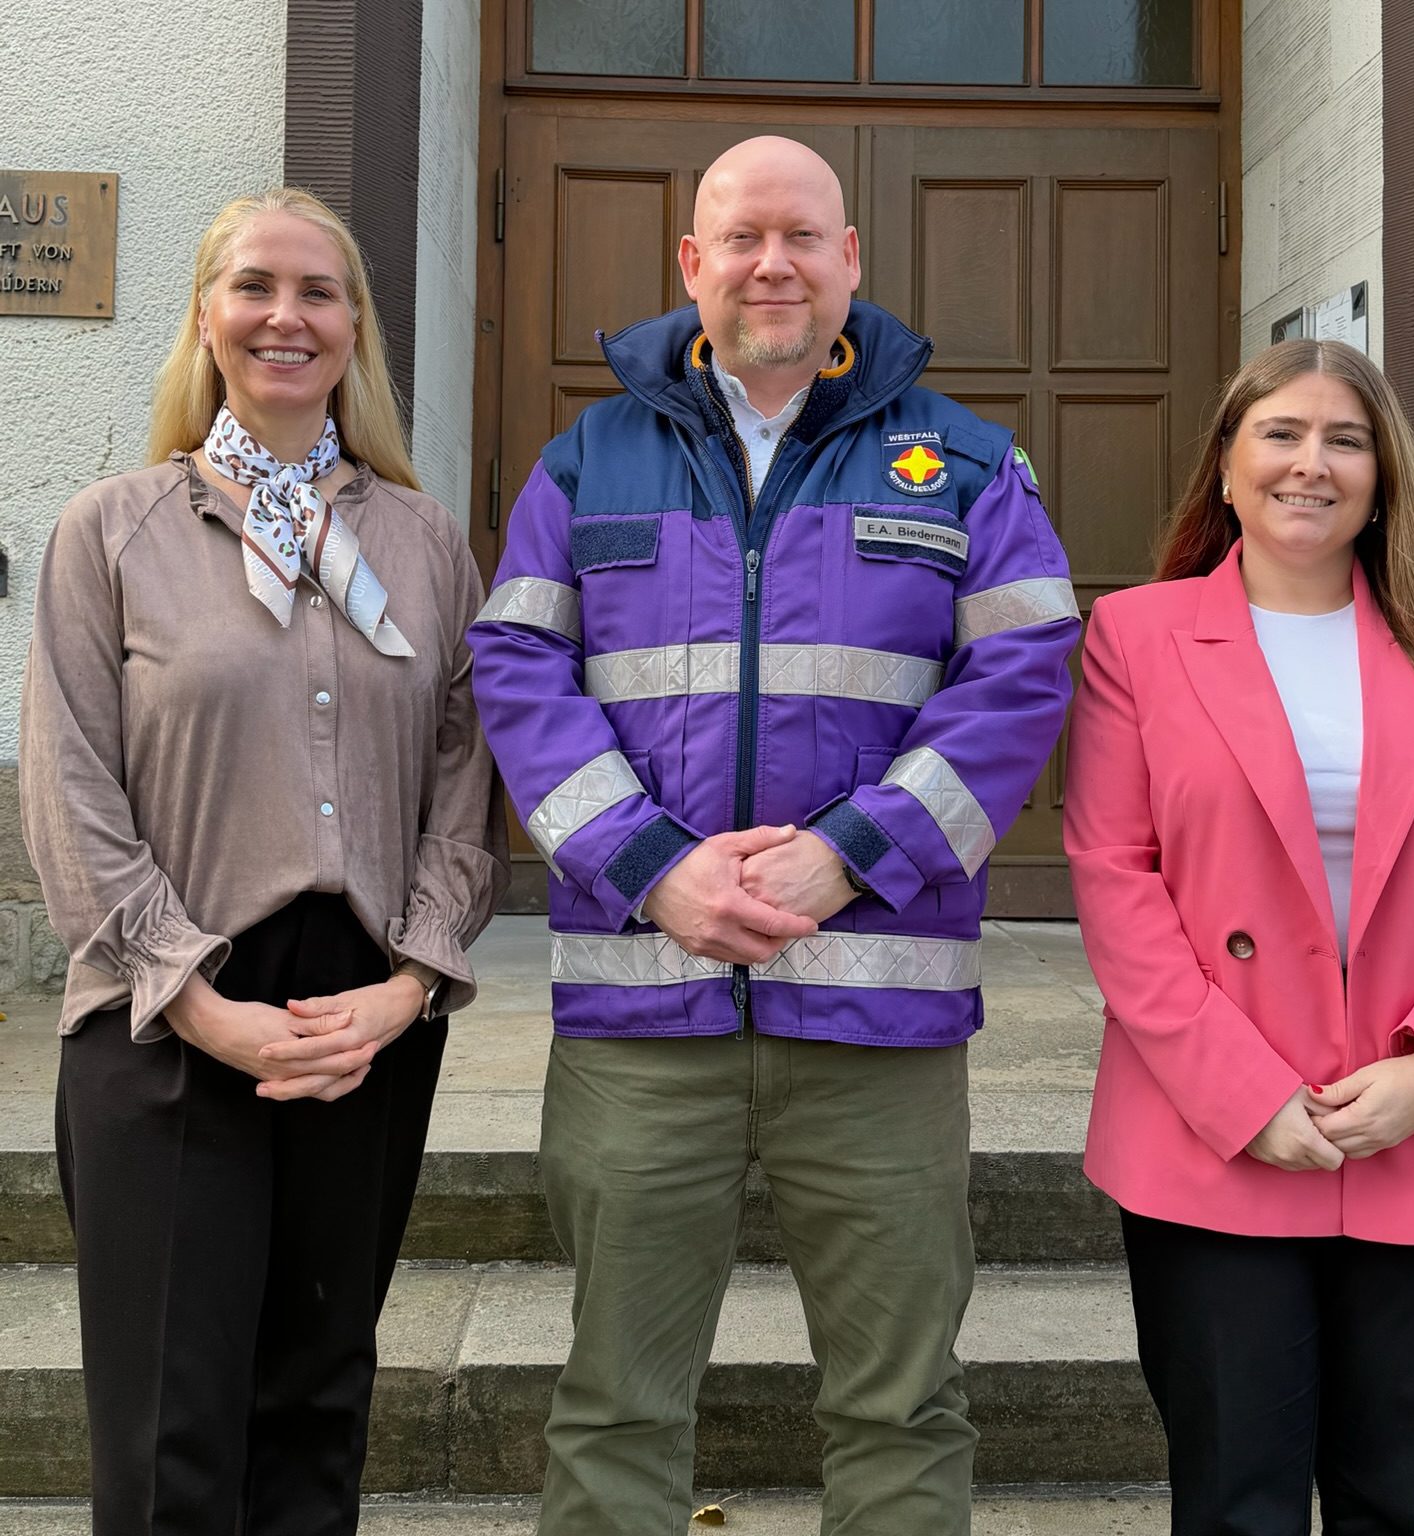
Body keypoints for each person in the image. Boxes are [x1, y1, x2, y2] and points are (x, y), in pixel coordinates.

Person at [468, 135, 1078, 1534]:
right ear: (692, 265)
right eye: (742, 237)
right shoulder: (587, 461)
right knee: (616, 1403)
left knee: (900, 1408)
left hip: (875, 1025)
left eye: (804, 236)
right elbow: (518, 674)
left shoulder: (967, 465)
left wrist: (845, 854)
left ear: (852, 259)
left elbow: (1021, 685)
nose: (773, 263)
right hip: (644, 1023)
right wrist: (654, 870)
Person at [20, 187, 507, 1535]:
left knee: (316, 1407)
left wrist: (409, 985)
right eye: (255, 287)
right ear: (206, 315)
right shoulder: (110, 533)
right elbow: (71, 793)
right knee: (171, 1432)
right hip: (167, 1013)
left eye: (319, 291)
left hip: (362, 1016)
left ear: (357, 328)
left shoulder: (422, 544)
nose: (286, 317)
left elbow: (465, 788)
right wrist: (194, 999)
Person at [1064, 338, 1414, 1535]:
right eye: (1279, 434)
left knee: (1409, 1503)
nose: (1309, 465)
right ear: (1225, 466)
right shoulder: (1138, 634)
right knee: (1234, 1503)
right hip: (1213, 1135)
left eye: (1345, 439)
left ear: (1385, 475)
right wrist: (1245, 1096)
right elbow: (1117, 884)